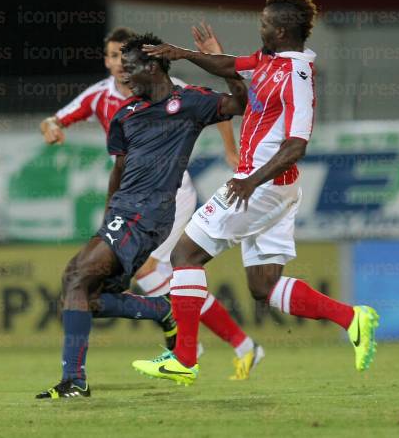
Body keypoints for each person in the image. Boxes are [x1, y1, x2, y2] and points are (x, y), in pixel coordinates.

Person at [132, 0, 379, 386]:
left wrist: (251, 181)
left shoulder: (296, 75)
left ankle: (185, 357)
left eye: (265, 23)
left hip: (260, 183)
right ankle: (352, 318)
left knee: (185, 254)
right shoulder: (269, 60)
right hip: (275, 188)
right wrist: (187, 53)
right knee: (263, 285)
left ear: (281, 30)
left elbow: (297, 144)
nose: (260, 27)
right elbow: (232, 66)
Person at [40, 25, 263, 380]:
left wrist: (229, 144)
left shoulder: (185, 99)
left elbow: (230, 105)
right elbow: (65, 124)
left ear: (152, 64)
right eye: (112, 57)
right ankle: (224, 339)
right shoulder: (109, 102)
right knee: (99, 288)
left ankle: (187, 339)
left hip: (166, 195)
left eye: (121, 58)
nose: (117, 66)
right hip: (127, 200)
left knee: (143, 272)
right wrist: (50, 126)